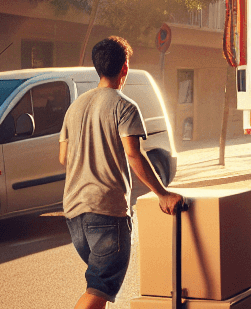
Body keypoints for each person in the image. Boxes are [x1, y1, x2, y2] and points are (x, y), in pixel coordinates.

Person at [59, 36, 184, 309]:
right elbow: (133, 154)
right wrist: (162, 194)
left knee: (98, 290)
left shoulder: (74, 108)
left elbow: (63, 157)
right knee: (99, 288)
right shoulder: (124, 106)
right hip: (106, 212)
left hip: (74, 215)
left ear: (97, 67)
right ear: (124, 67)